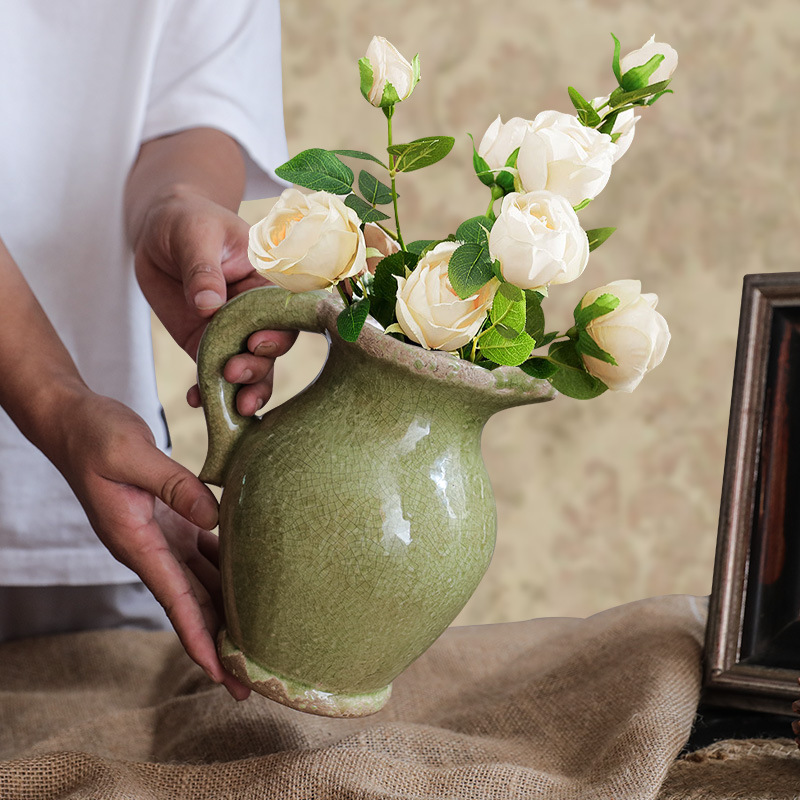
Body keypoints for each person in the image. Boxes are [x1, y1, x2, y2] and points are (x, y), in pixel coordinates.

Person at [0, 0, 295, 699]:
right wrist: (58, 403)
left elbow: (190, 109)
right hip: (78, 441)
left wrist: (177, 203)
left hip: (93, 516)